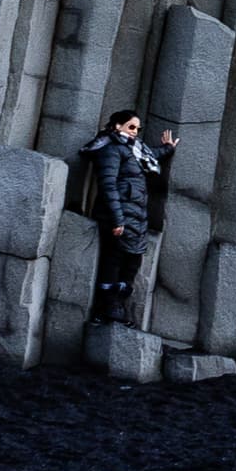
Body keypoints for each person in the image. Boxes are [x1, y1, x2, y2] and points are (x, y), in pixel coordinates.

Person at [76, 108, 173, 327]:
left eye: (138, 128)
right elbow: (108, 185)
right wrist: (117, 219)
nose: (135, 132)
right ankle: (106, 309)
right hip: (118, 216)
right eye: (131, 127)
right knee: (114, 261)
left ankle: (116, 306)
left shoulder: (134, 149)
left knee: (132, 262)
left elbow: (150, 155)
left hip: (136, 217)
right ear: (117, 126)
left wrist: (168, 148)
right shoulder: (111, 149)